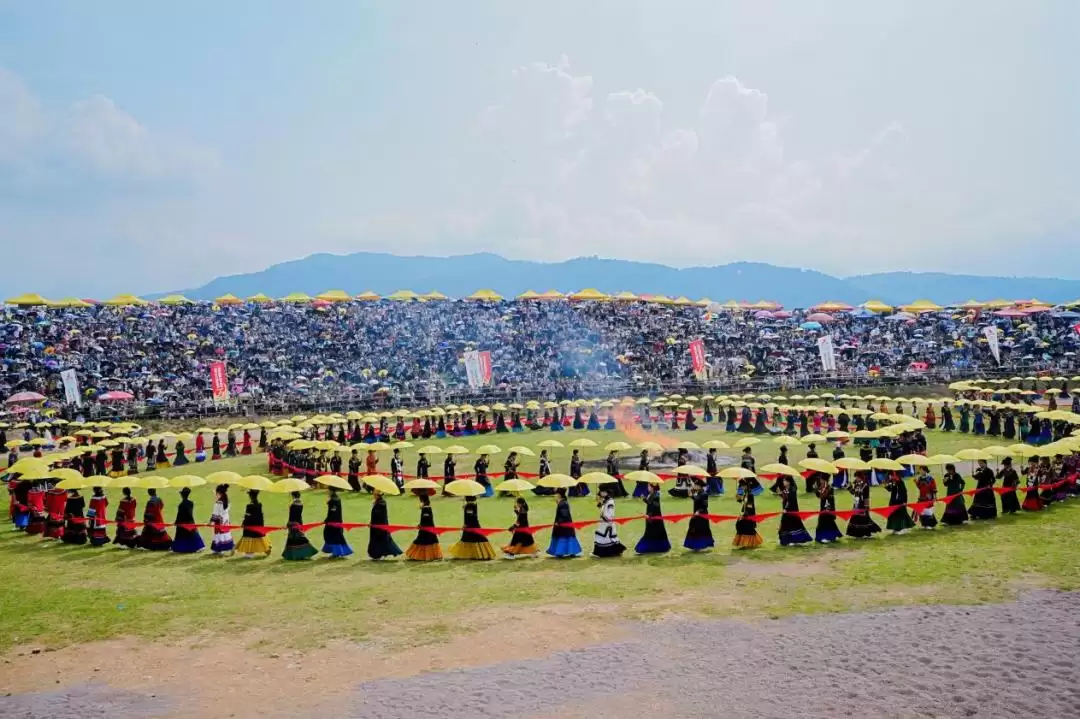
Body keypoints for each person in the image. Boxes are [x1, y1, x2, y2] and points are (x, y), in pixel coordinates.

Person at [635, 484, 671, 554]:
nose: (647, 487)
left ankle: (645, 548)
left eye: (649, 486)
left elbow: (655, 508)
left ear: (652, 487)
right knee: (652, 533)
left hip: (654, 519)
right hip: (651, 518)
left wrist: (649, 516)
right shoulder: (652, 494)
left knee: (653, 533)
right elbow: (650, 503)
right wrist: (644, 499)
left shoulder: (656, 495)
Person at [405, 494, 443, 561]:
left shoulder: (425, 509)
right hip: (430, 530)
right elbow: (428, 519)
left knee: (420, 542)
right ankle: (432, 557)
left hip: (425, 530)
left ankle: (420, 557)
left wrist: (421, 525)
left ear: (421, 500)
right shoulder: (428, 508)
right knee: (430, 542)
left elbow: (426, 519)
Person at [777, 476, 813, 546]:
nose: (783, 482)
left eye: (785, 481)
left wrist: (786, 509)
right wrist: (780, 494)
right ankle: (786, 540)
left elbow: (790, 500)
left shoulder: (792, 489)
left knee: (794, 525)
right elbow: (785, 498)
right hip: (786, 512)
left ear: (788, 482)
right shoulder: (786, 489)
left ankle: (794, 540)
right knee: (784, 525)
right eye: (783, 481)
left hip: (792, 511)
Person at [547, 488, 583, 558]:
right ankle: (569, 552)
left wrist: (558, 522)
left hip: (563, 525)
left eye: (556, 494)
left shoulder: (562, 503)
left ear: (559, 495)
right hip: (565, 525)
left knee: (563, 537)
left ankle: (561, 552)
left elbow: (564, 515)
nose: (554, 496)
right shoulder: (562, 502)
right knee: (566, 537)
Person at [367, 490, 402, 560]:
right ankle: (376, 555)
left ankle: (380, 554)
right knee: (377, 540)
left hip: (380, 526)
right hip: (375, 526)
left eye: (374, 494)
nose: (373, 495)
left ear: (378, 495)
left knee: (383, 540)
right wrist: (371, 522)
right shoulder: (378, 503)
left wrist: (375, 505)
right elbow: (374, 515)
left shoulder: (381, 503)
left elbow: (379, 515)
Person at [236, 490, 272, 557]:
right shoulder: (259, 505)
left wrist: (243, 524)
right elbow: (260, 516)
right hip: (258, 525)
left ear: (250, 497)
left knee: (249, 538)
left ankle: (249, 553)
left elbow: (247, 517)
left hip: (250, 526)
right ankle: (266, 549)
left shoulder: (249, 506)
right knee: (260, 538)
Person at [592, 487, 626, 557]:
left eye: (602, 491)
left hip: (607, 522)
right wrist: (599, 502)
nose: (600, 493)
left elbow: (611, 514)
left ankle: (600, 553)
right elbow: (602, 507)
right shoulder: (605, 499)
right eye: (600, 492)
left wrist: (604, 516)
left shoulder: (610, 501)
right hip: (604, 522)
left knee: (604, 537)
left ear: (606, 492)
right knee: (607, 537)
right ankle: (614, 552)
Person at [845, 474, 881, 538]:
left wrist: (866, 506)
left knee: (863, 519)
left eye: (857, 477)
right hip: (856, 504)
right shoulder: (856, 484)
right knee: (855, 518)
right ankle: (856, 533)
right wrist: (849, 487)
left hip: (862, 504)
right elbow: (853, 493)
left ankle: (865, 533)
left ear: (861, 477)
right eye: (856, 477)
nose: (856, 478)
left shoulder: (865, 485)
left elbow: (866, 497)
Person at [171, 487, 205, 553]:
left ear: (182, 495)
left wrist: (176, 522)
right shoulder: (191, 503)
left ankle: (181, 548)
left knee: (180, 536)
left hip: (182, 523)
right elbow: (189, 513)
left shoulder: (181, 505)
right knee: (193, 535)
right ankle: (196, 547)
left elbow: (179, 515)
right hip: (190, 521)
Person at [683, 482, 715, 552]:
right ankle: (695, 546)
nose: (694, 486)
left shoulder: (704, 494)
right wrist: (691, 496)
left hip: (702, 516)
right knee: (693, 529)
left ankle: (700, 546)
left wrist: (698, 511)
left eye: (696, 485)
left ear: (700, 486)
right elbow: (697, 500)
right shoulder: (698, 493)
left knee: (701, 530)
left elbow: (705, 506)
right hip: (696, 515)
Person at [322, 487, 353, 557]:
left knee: (331, 536)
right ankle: (335, 551)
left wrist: (327, 520)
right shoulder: (337, 498)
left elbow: (332, 512)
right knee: (336, 536)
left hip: (333, 522)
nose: (327, 492)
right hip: (338, 521)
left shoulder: (333, 500)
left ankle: (336, 552)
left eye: (328, 490)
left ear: (331, 491)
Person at [733, 480, 764, 548]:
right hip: (744, 513)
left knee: (747, 528)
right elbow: (743, 502)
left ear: (746, 486)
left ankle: (749, 543)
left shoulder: (750, 495)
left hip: (749, 515)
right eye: (741, 486)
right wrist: (738, 499)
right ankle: (744, 543)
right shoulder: (746, 493)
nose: (742, 488)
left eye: (743, 486)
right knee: (739, 526)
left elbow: (750, 506)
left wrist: (744, 515)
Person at [209, 485, 234, 555]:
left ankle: (220, 549)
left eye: (216, 493)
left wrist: (211, 522)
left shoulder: (219, 502)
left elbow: (215, 513)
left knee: (219, 534)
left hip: (219, 521)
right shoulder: (227, 501)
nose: (215, 494)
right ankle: (218, 549)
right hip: (226, 520)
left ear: (219, 493)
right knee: (225, 533)